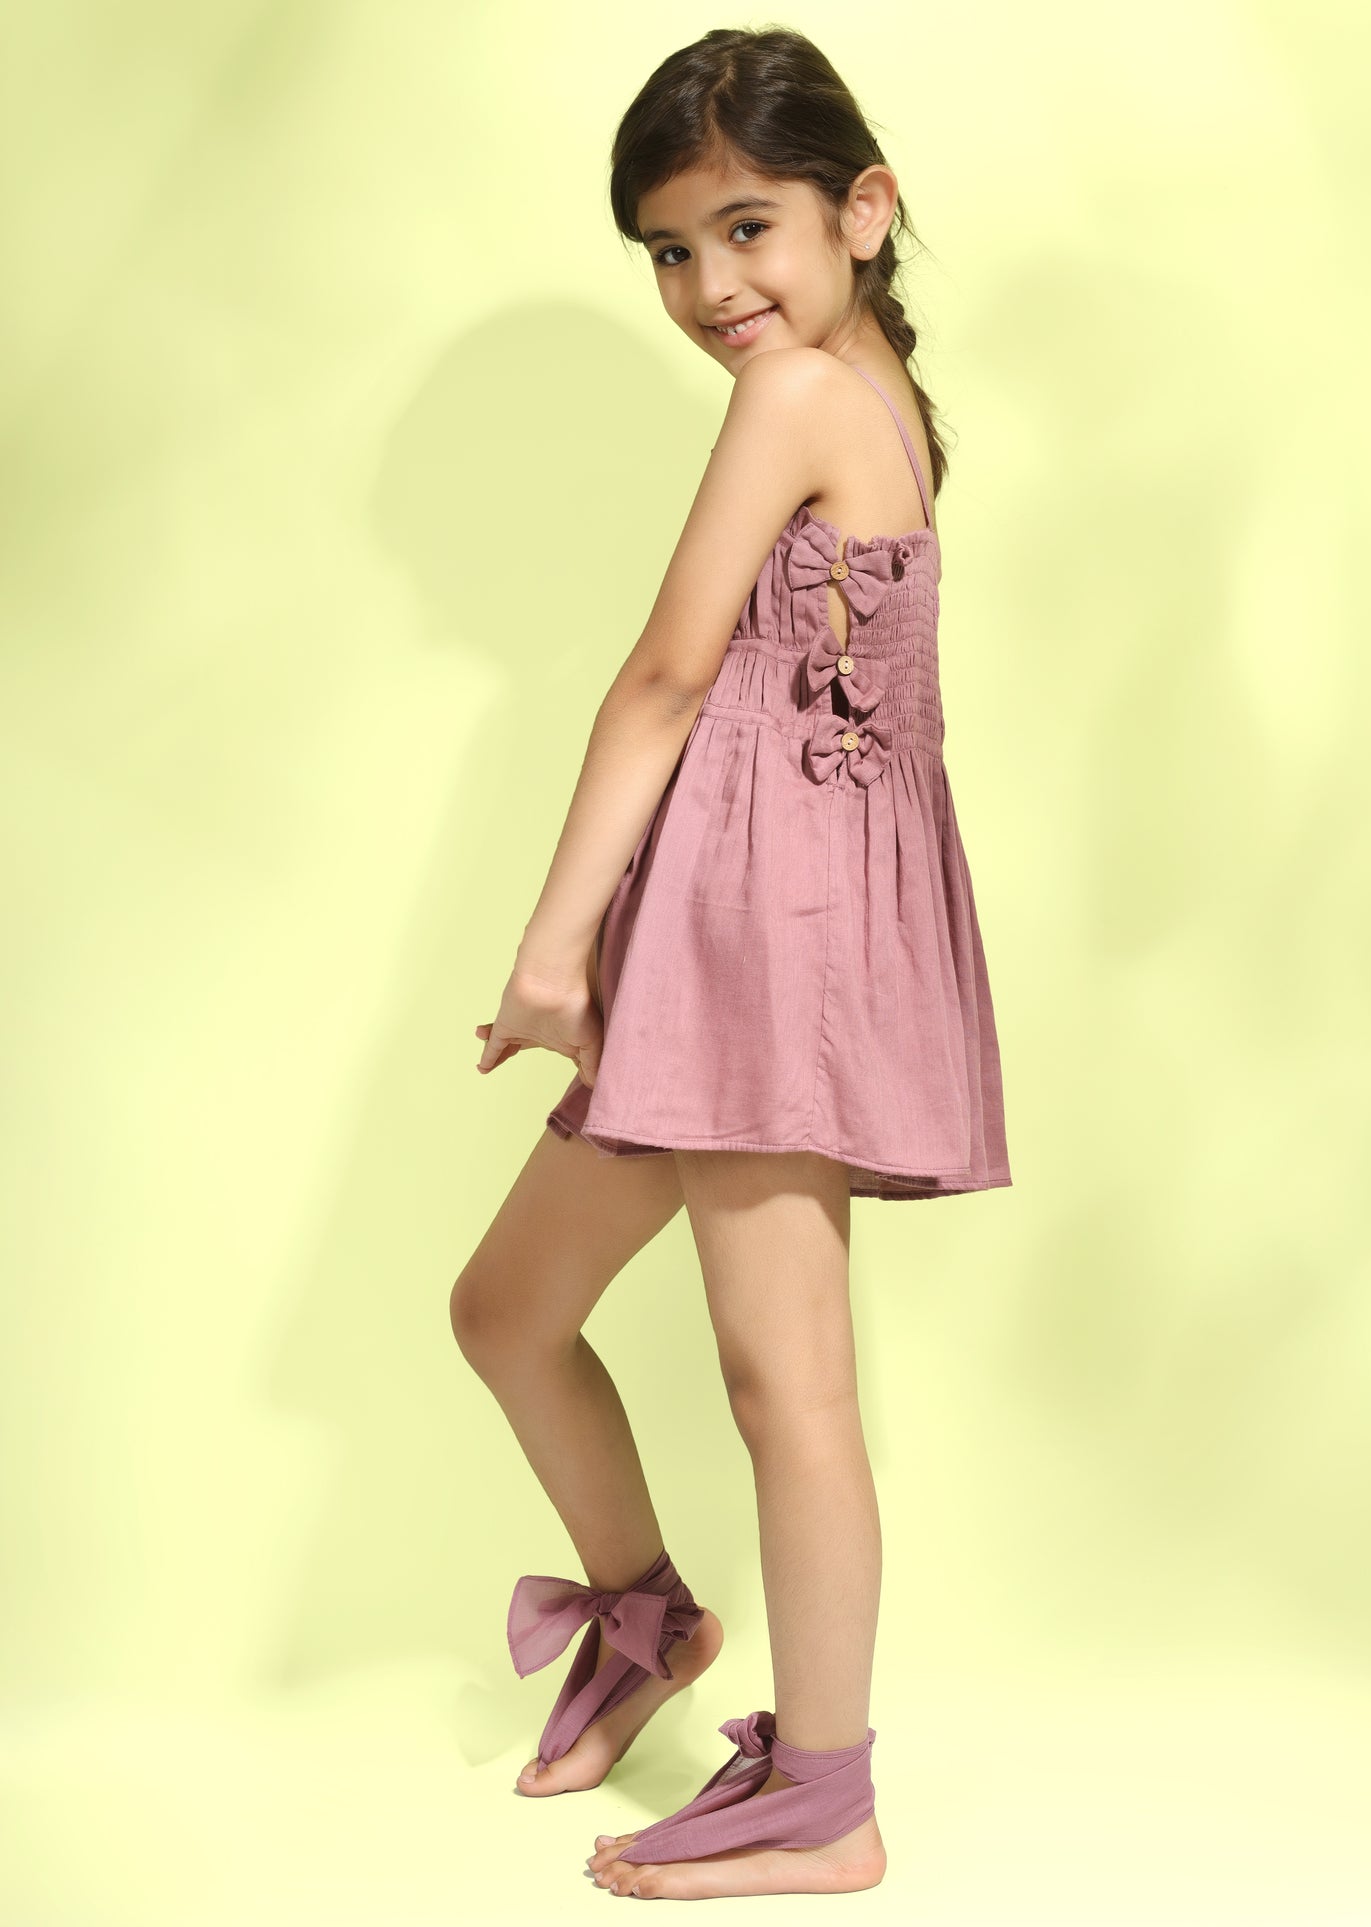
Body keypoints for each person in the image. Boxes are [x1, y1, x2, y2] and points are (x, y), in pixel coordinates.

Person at [451, 24, 1012, 1904]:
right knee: (506, 1309)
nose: (709, 287)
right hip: (725, 914)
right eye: (670, 251)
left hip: (775, 934)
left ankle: (827, 1799)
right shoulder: (869, 389)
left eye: (746, 227)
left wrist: (551, 949)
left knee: (788, 1384)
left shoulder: (800, 398)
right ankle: (646, 1623)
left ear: (863, 210)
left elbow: (668, 677)